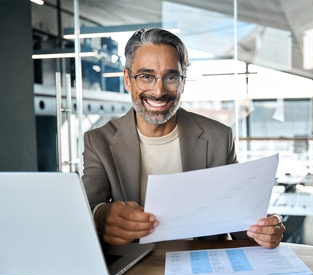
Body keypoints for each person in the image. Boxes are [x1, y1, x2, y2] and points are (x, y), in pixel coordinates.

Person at [82, 28, 285, 249]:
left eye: (171, 77)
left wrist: (264, 228)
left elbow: (238, 217)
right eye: (146, 76)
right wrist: (101, 216)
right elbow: (87, 209)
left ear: (183, 82)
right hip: (135, 266)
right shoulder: (98, 141)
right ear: (127, 80)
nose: (158, 91)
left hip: (203, 262)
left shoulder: (219, 136)